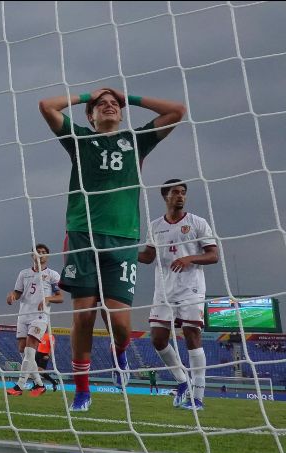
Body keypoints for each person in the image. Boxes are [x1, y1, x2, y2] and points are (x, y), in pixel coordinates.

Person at [39, 87, 186, 412]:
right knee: (84, 316)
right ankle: (82, 390)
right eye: (101, 105)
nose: (108, 107)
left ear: (121, 114)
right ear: (90, 116)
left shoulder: (136, 140)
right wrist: (88, 94)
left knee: (120, 324)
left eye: (113, 105)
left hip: (122, 240)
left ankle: (119, 352)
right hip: (83, 236)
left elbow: (177, 110)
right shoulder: (80, 140)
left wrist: (128, 97)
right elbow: (47, 106)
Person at [139, 179, 218, 411]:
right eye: (176, 192)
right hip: (164, 289)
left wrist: (189, 258)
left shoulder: (197, 222)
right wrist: (123, 254)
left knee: (192, 335)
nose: (181, 196)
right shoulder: (155, 226)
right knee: (157, 338)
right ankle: (183, 381)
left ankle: (198, 397)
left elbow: (213, 255)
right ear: (166, 196)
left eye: (183, 192)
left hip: (191, 288)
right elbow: (148, 257)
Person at [6, 244, 62, 397]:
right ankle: (39, 385)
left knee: (30, 350)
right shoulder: (24, 274)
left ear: (47, 256)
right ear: (33, 255)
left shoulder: (52, 275)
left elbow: (60, 297)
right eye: (38, 252)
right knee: (24, 351)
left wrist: (47, 299)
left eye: (44, 253)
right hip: (23, 315)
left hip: (40, 317)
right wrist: (12, 296)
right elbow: (18, 292)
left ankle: (19, 386)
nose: (41, 255)